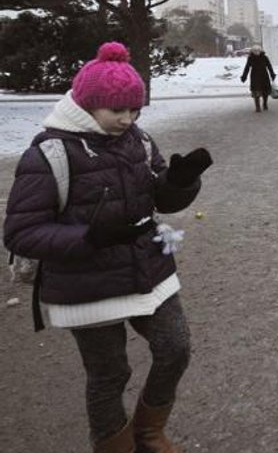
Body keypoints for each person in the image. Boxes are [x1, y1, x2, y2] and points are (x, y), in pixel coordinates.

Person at [3, 41, 213, 453]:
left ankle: (150, 431)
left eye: (134, 110)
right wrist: (88, 237)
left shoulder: (139, 140)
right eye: (117, 110)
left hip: (148, 272)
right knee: (108, 375)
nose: (127, 119)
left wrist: (181, 182)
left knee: (175, 348)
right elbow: (20, 233)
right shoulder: (49, 153)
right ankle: (115, 446)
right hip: (87, 284)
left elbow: (162, 200)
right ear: (87, 105)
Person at [239, 45, 276, 112]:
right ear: (252, 52)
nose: (257, 52)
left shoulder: (264, 57)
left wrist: (272, 74)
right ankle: (258, 107)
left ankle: (265, 103)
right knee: (256, 91)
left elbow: (269, 66)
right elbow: (247, 68)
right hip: (255, 76)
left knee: (265, 91)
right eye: (255, 51)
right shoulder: (251, 58)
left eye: (258, 51)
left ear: (261, 51)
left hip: (264, 75)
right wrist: (244, 76)